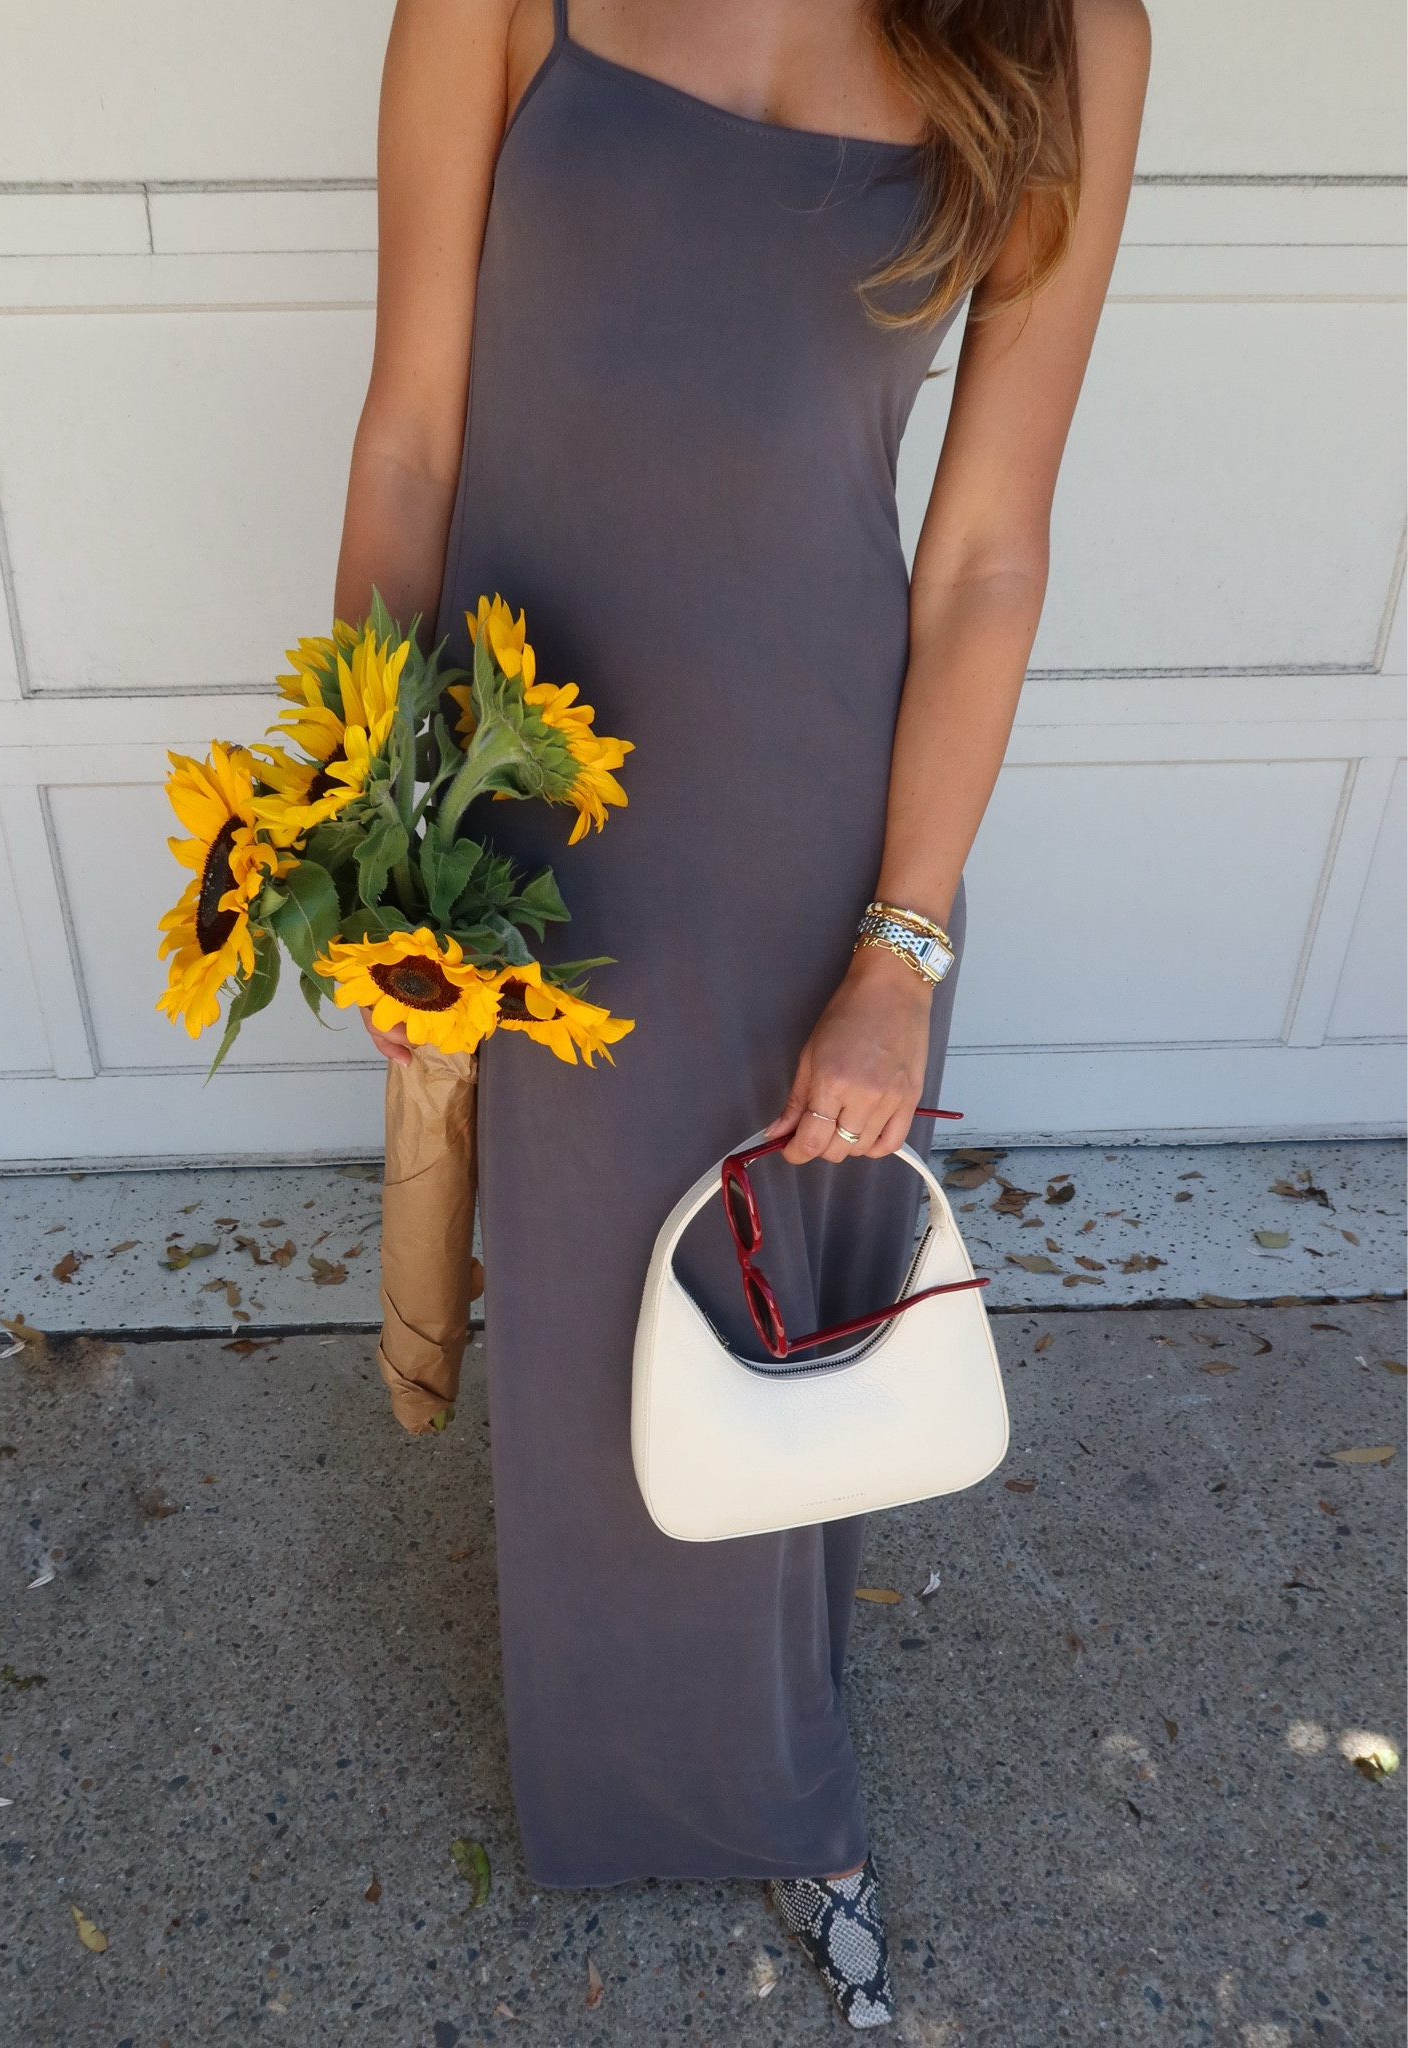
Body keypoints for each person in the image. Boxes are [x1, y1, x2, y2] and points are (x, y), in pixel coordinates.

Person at [334, 0, 1148, 2026]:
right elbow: (413, 432)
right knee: (581, 1321)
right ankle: (619, 1773)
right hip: (524, 794)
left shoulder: (1065, 38)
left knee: (776, 1324)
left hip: (809, 821)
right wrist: (376, 832)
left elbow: (986, 552)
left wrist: (901, 947)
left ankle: (779, 1782)